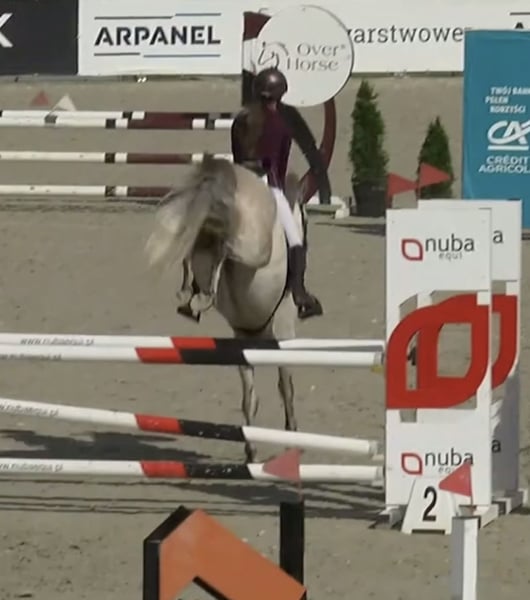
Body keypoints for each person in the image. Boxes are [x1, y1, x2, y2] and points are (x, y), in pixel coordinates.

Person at [230, 67, 323, 320]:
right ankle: (299, 293)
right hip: (269, 186)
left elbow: (237, 157)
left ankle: (197, 288)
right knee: (295, 237)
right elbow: (279, 164)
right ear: (281, 93)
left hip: (240, 184)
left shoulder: (240, 120)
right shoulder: (282, 124)